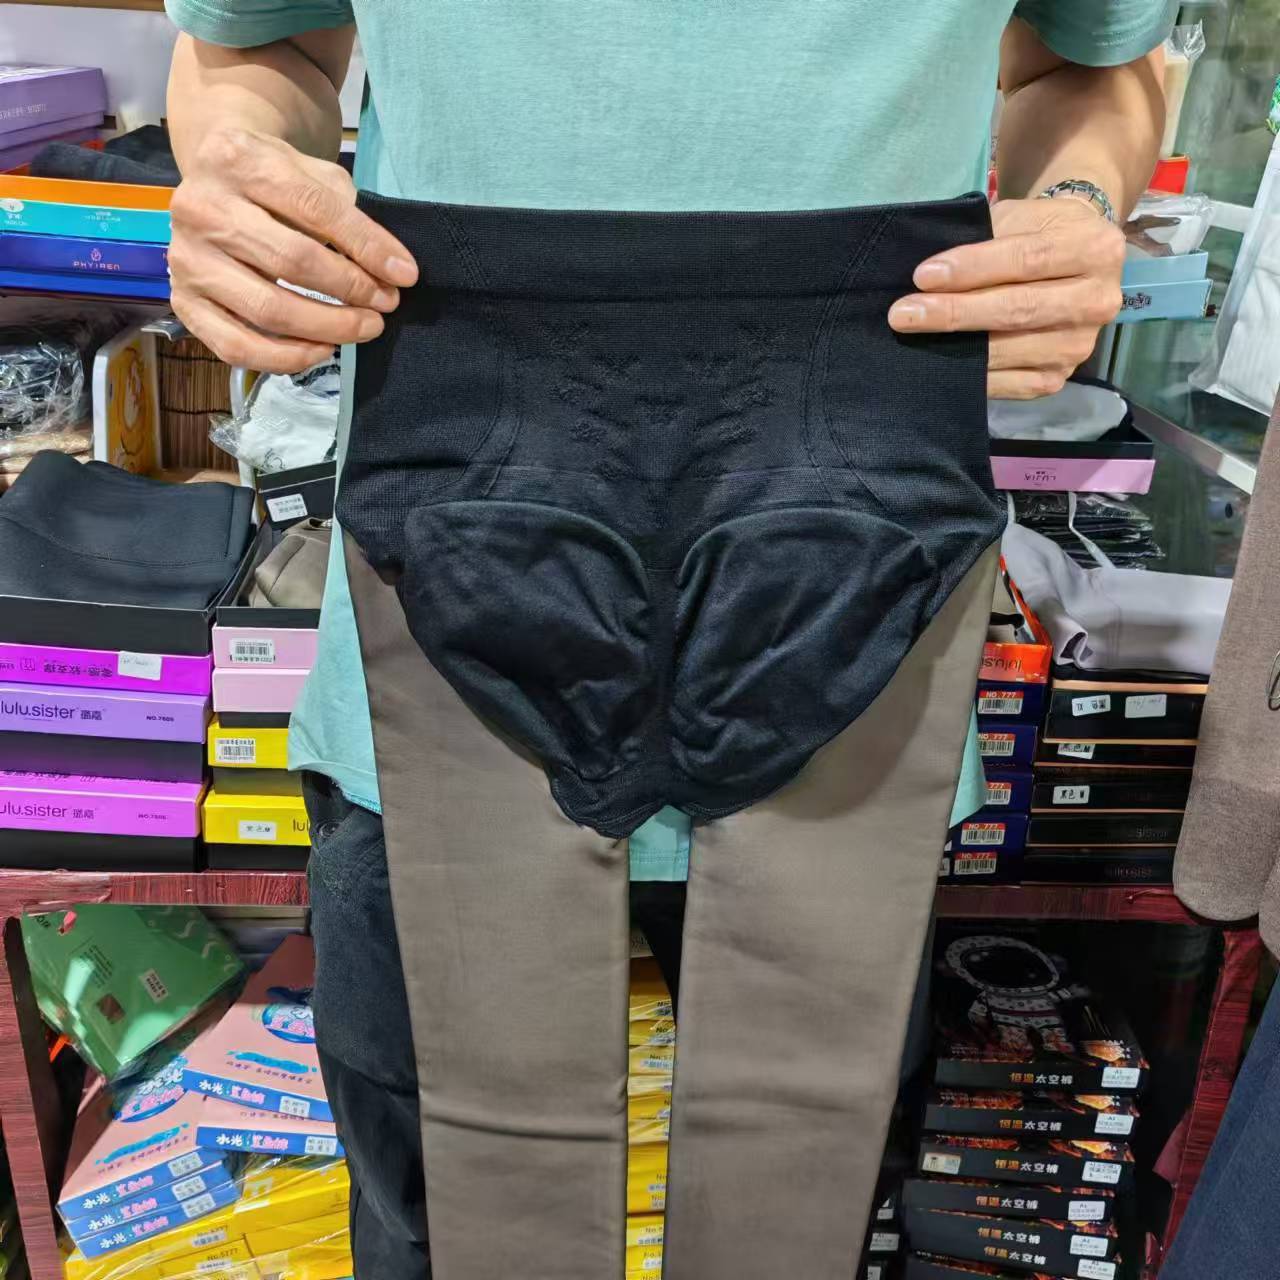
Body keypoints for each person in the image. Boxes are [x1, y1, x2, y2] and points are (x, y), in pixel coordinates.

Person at [164, 4, 1170, 1275]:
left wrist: (1074, 203)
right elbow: (260, 42)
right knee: (450, 1214)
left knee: (796, 1199)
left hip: (851, 606)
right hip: (446, 616)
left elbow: (1092, 59)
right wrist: (238, 169)